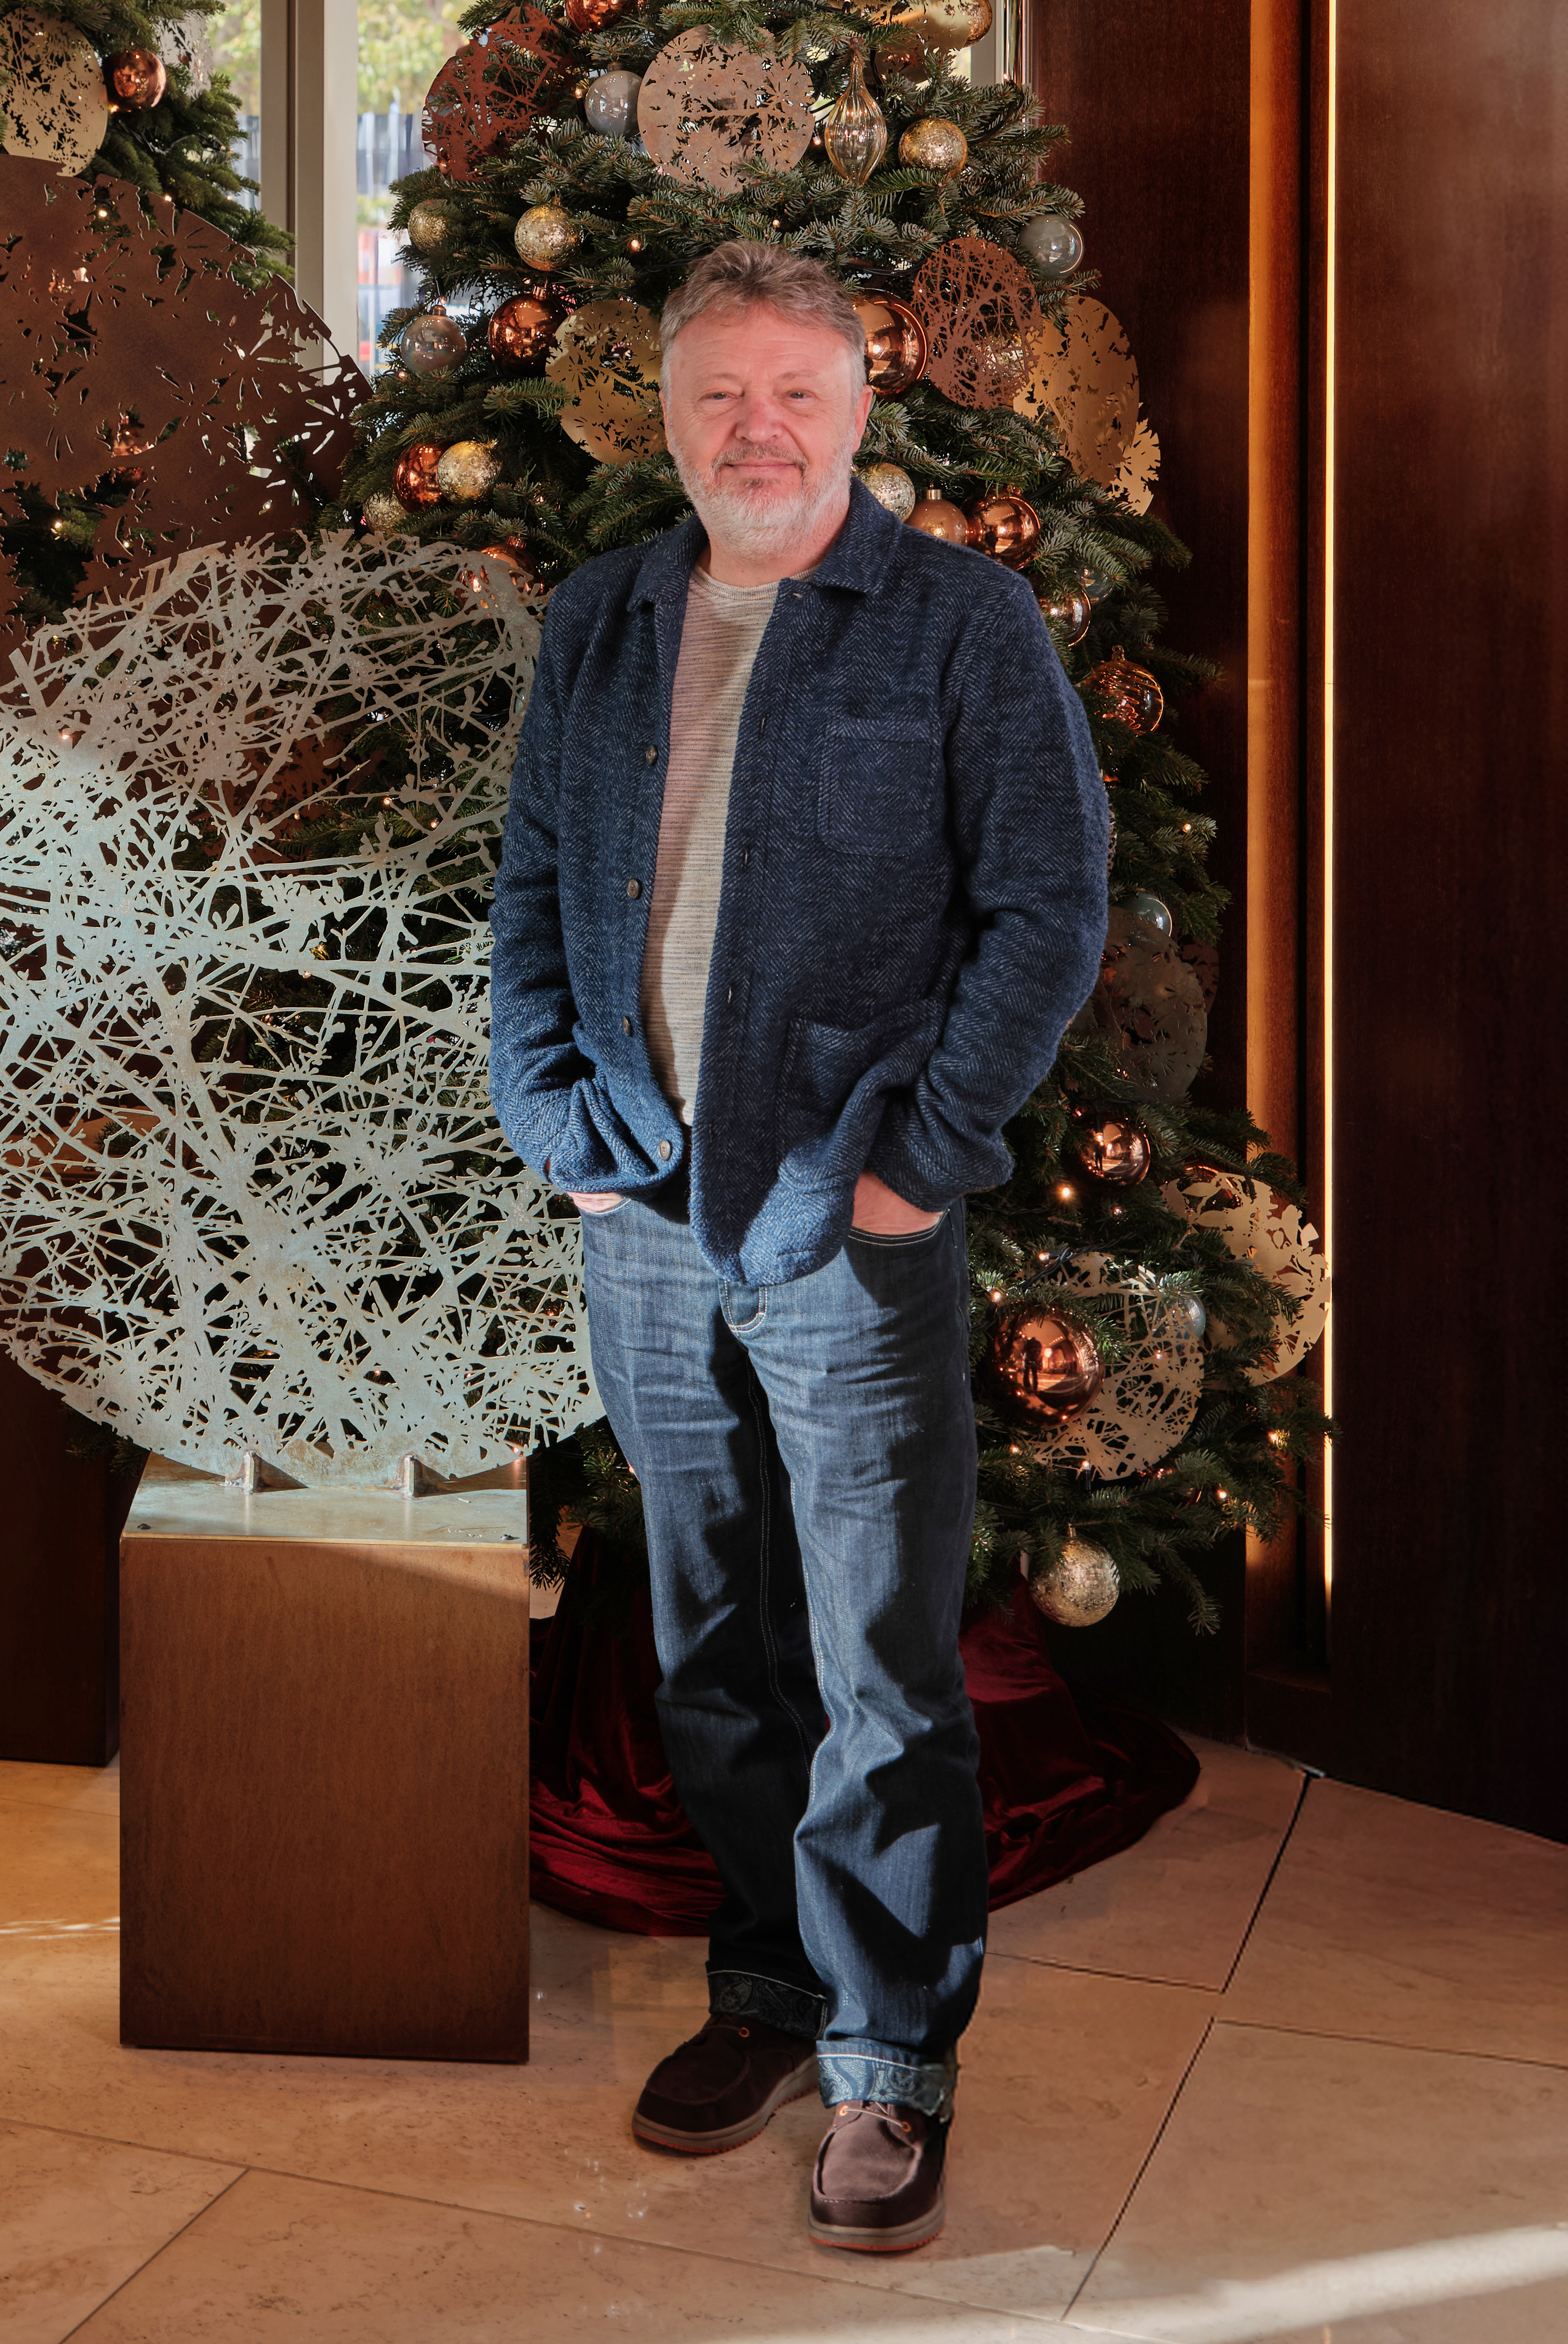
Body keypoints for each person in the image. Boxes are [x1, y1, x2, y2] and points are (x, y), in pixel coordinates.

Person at [490, 236, 1108, 2255]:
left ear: (856, 405)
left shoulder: (954, 620)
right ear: (666, 417)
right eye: (716, 395)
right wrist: (556, 1121)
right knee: (708, 1646)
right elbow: (527, 885)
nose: (754, 429)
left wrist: (919, 1157)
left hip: (845, 1216)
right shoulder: (603, 615)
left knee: (875, 1665)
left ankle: (886, 2058)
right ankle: (768, 1981)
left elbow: (1045, 905)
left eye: (793, 393)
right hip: (641, 1212)